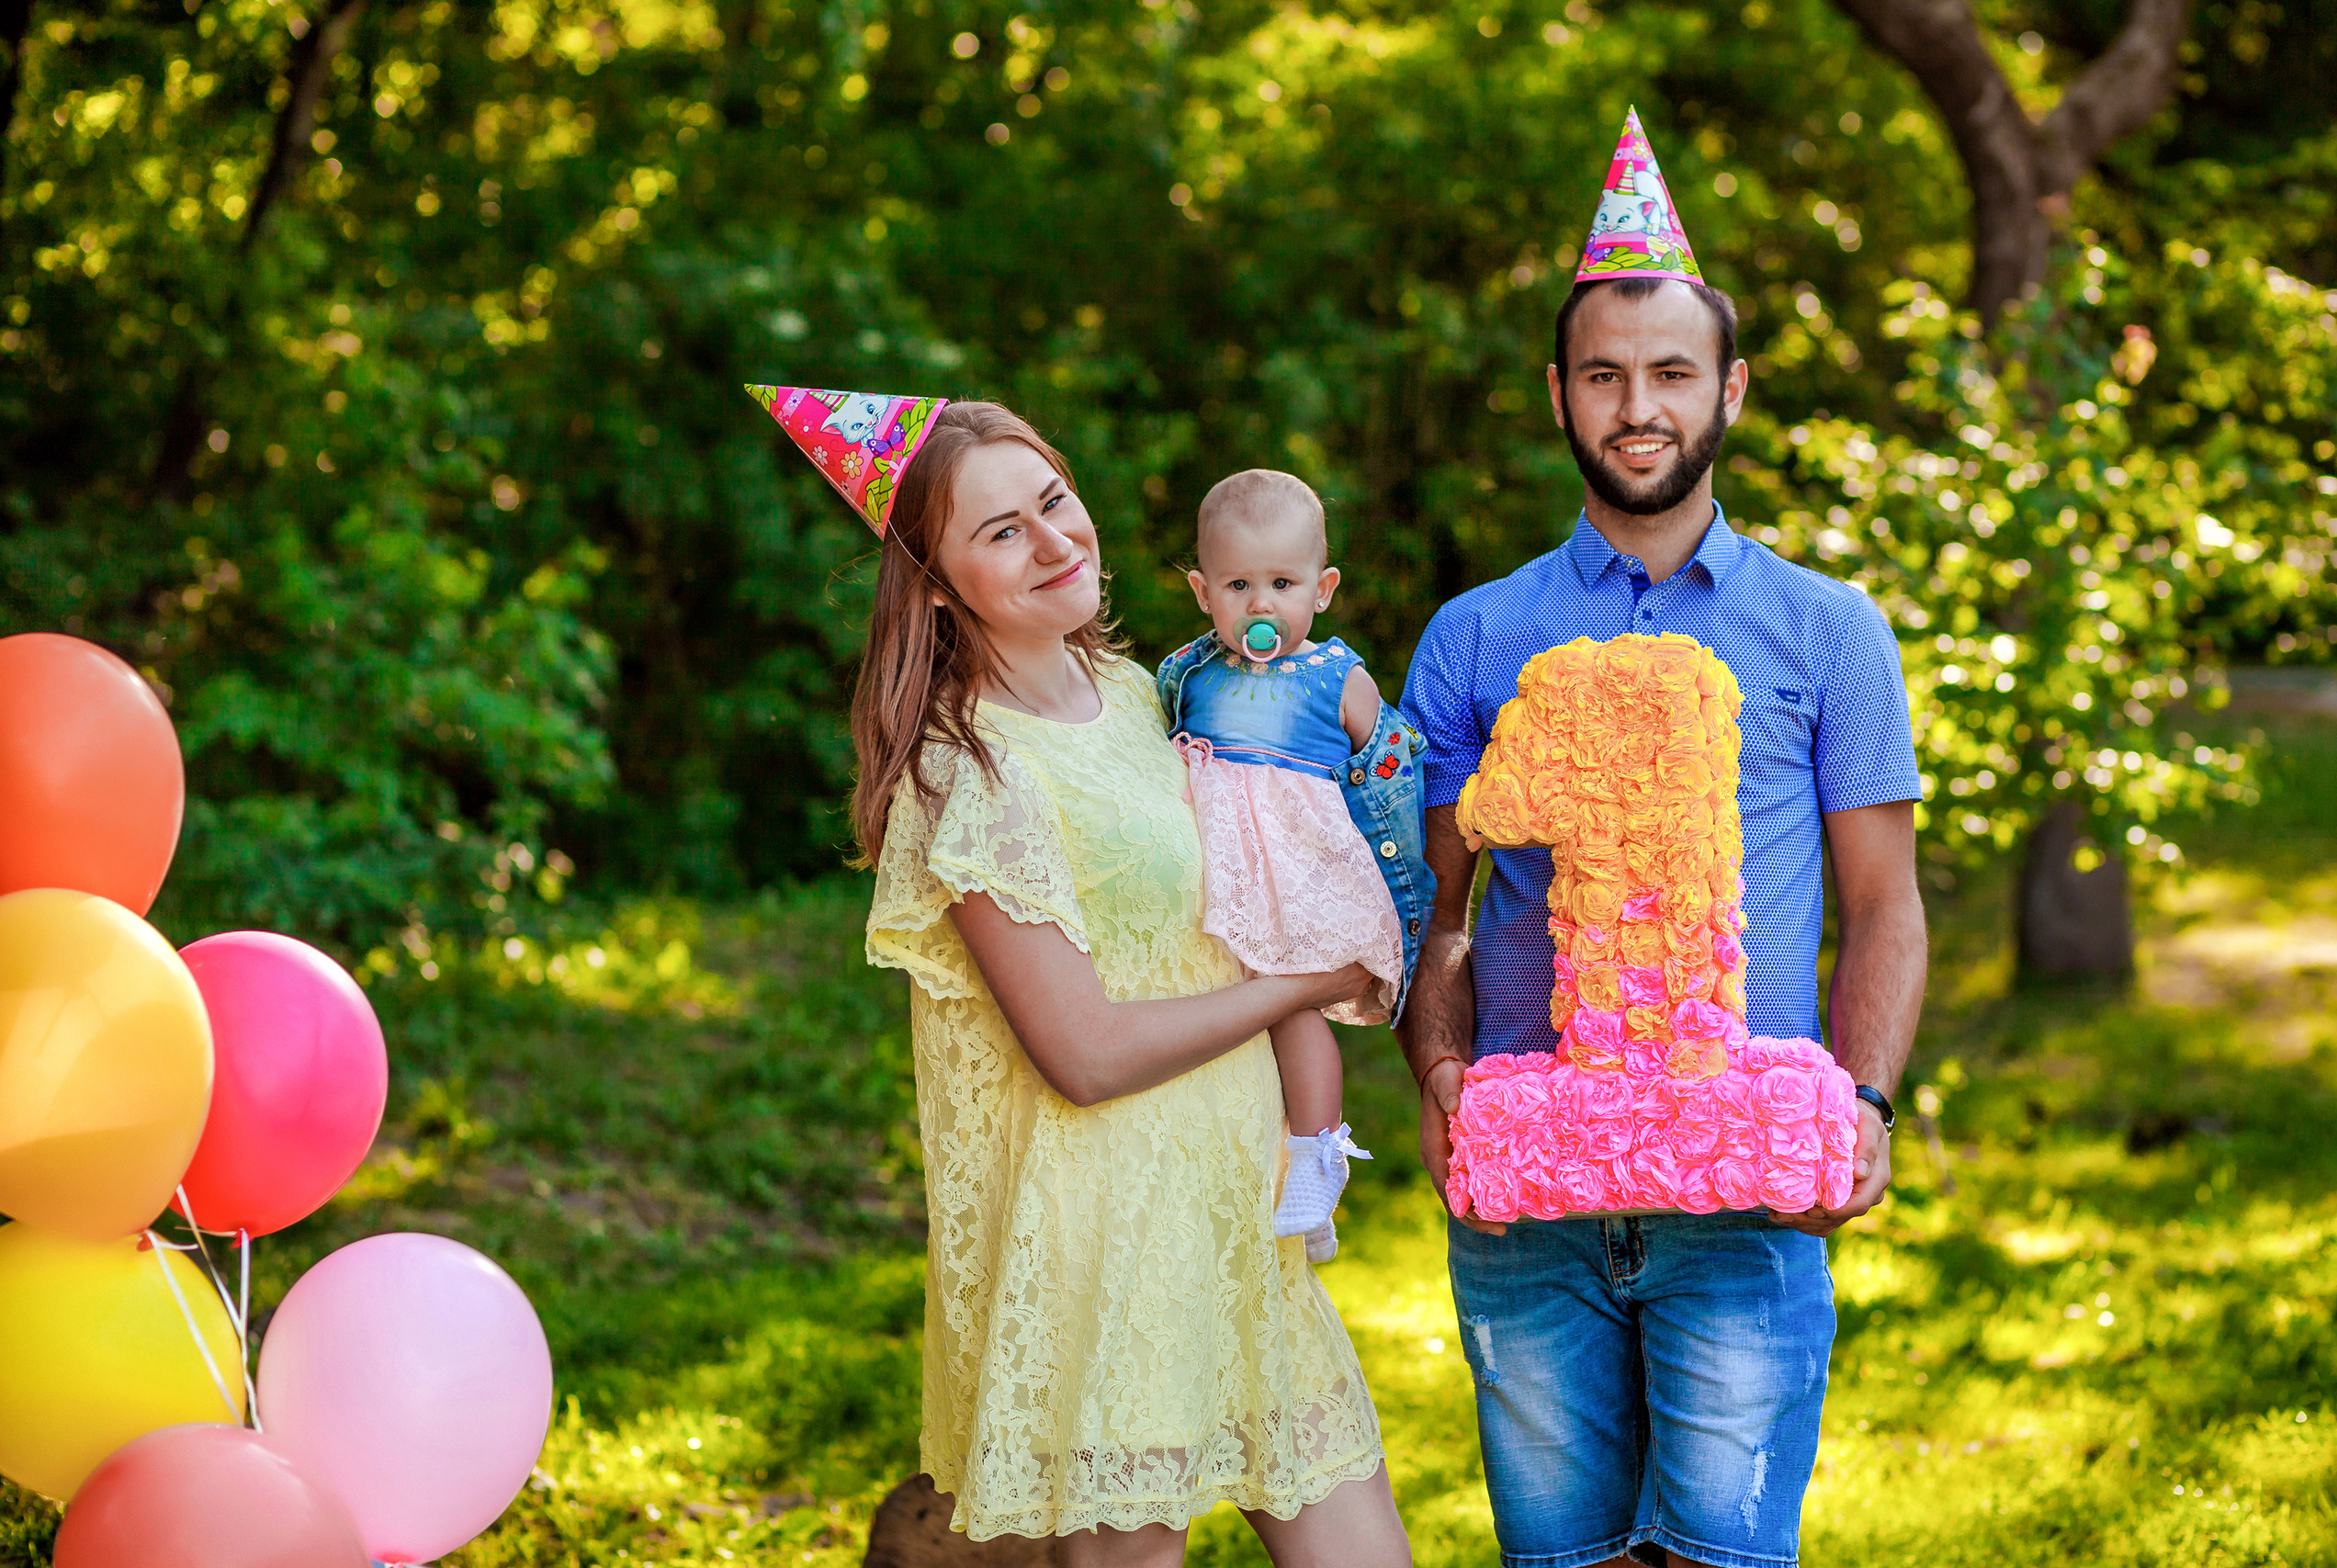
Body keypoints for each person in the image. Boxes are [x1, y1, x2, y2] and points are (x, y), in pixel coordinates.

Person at [747, 384, 1412, 1568]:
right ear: (939, 584)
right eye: (1002, 531)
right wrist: (1301, 984)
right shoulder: (973, 774)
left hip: (1231, 1223)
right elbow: (1085, 1054)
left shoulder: (1139, 696)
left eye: (1053, 501)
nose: (1055, 540)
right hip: (1106, 1241)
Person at [1395, 114, 1929, 1568]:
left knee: (1724, 1558)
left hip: (1747, 1183)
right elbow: (1436, 906)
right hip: (1533, 1189)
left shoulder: (1826, 628)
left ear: (1729, 388)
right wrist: (1439, 1073)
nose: (1640, 404)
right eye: (1607, 374)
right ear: (1559, 392)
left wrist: (1867, 1105)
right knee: (1559, 1558)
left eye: (1673, 371)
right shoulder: (1477, 633)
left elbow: (1884, 900)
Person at [1156, 469, 1437, 1261]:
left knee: (1289, 1005)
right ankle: (1224, 1166)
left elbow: (1391, 769)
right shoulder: (1190, 672)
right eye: (1238, 584)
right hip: (1213, 866)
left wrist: (1388, 876)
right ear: (1202, 591)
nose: (1260, 604)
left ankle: (1315, 1160)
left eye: (1282, 583)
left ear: (1323, 589)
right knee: (1209, 1001)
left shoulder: (1335, 676)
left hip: (1298, 868)